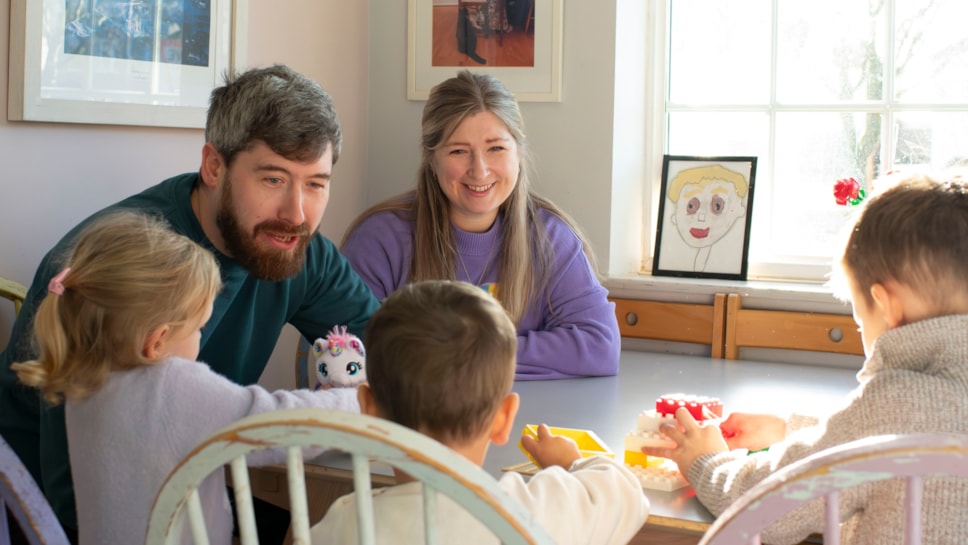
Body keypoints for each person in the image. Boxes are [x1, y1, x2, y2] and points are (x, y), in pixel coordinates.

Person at [0, 64, 380, 540]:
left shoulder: (297, 249)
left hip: (183, 497)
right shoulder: (124, 268)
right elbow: (70, 492)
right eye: (273, 180)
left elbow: (389, 345)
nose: (296, 213)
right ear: (214, 166)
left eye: (315, 184)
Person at [643, 171, 968, 545]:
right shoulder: (914, 410)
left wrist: (706, 461)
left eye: (860, 321)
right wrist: (791, 428)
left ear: (887, 304)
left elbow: (762, 506)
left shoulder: (895, 402)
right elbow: (919, 424)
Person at [12, 211, 361, 545]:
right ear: (157, 341)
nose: (201, 336)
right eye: (199, 327)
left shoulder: (85, 373)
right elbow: (281, 423)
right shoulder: (173, 387)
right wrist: (353, 401)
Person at [310, 280, 648, 544]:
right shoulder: (533, 512)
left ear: (367, 410)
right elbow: (626, 492)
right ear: (503, 418)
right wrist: (570, 463)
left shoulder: (344, 525)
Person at [341, 70, 619, 380]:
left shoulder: (550, 238)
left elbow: (600, 346)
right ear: (431, 159)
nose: (480, 170)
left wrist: (457, 354)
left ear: (519, 153)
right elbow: (356, 355)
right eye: (459, 151)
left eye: (496, 149)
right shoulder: (380, 240)